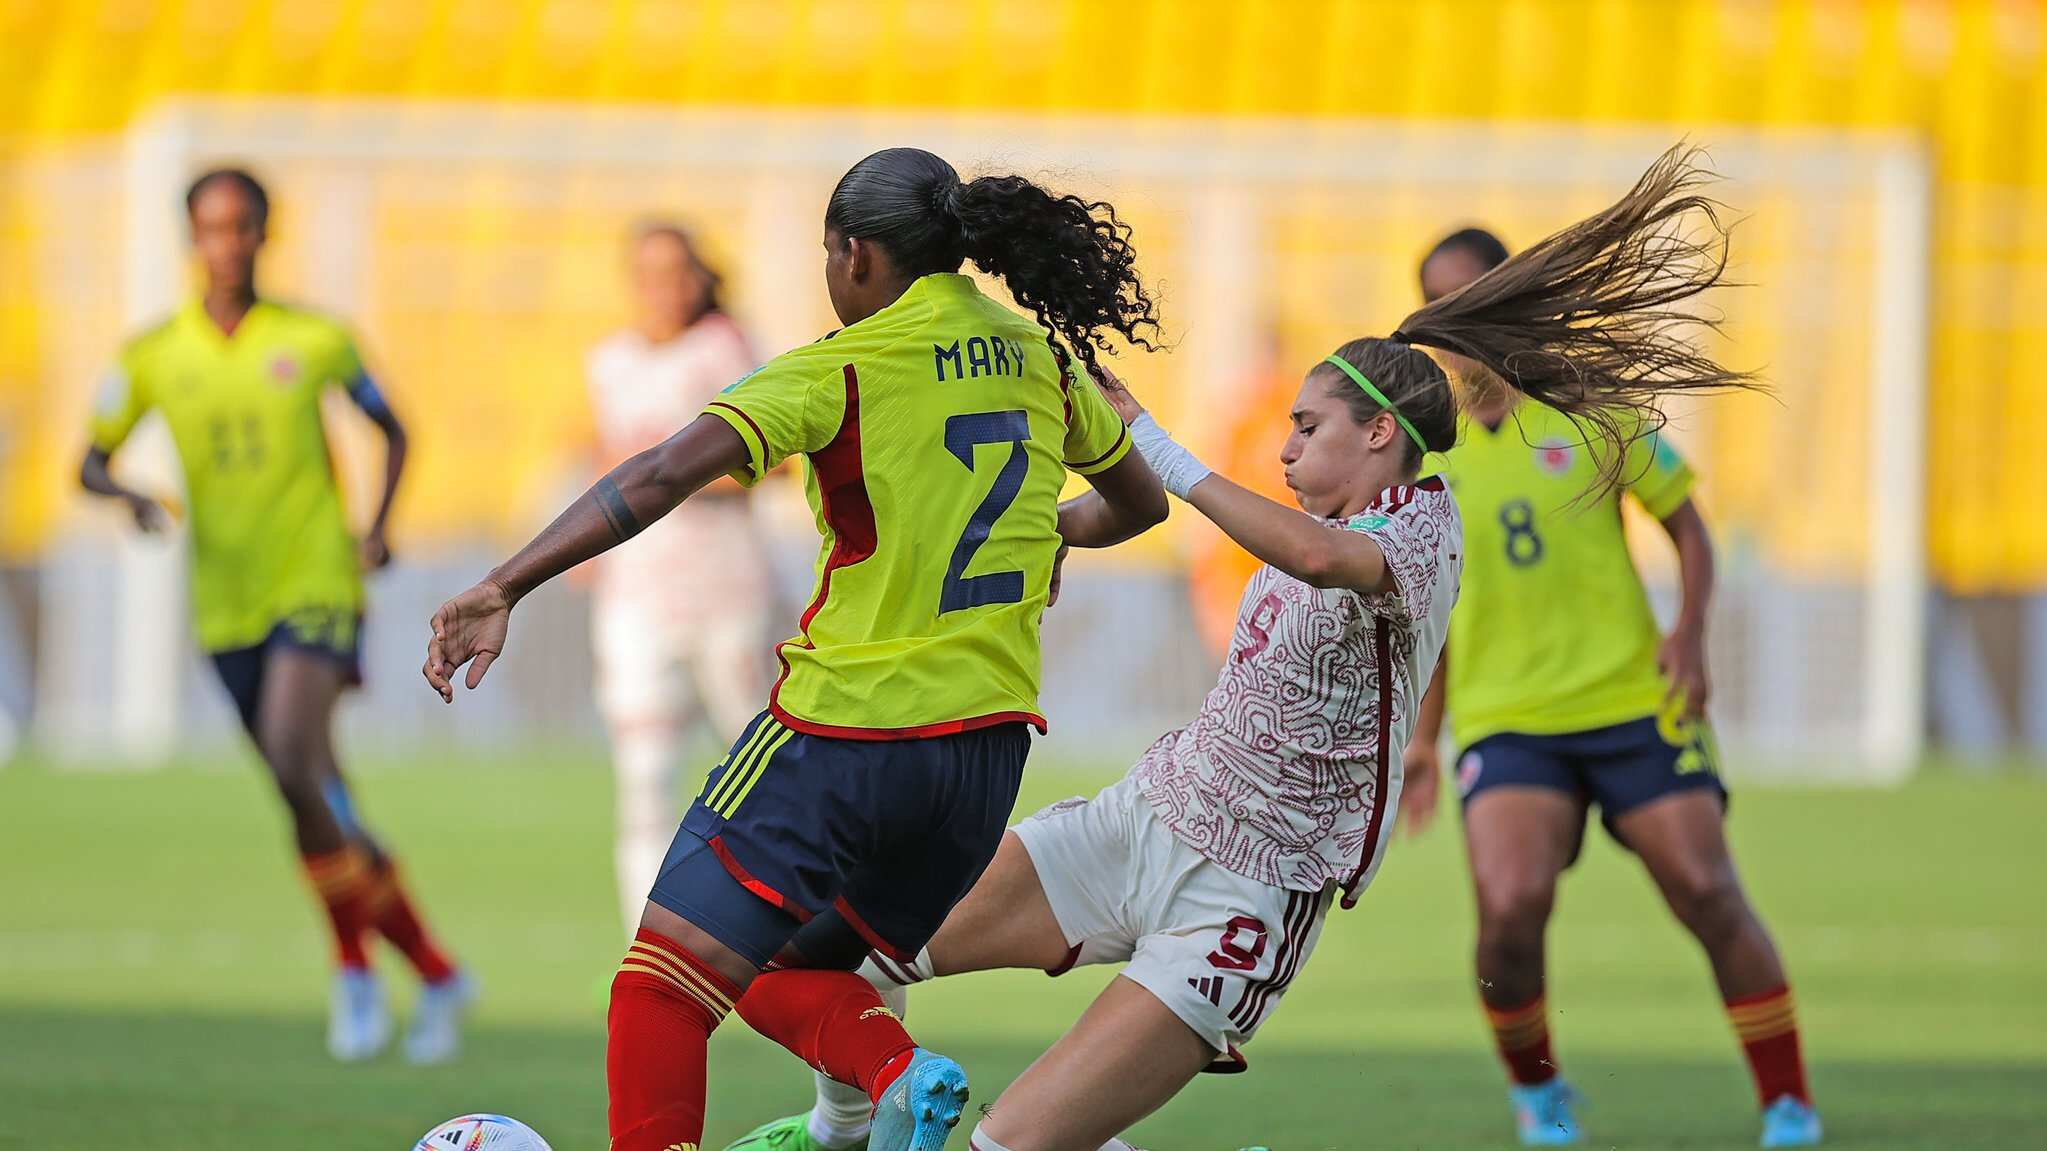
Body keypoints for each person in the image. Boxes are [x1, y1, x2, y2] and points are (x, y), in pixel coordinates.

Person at [731, 144, 1757, 1151]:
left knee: (1015, 1142)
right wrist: (1023, 523)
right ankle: (837, 1132)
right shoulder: (1321, 510)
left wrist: (1164, 451)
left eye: (1306, 425)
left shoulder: (1418, 529)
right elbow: (1117, 523)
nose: (1284, 445)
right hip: (1147, 817)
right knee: (824, 954)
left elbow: (1316, 555)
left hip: (1246, 892)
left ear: (1377, 436)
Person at [422, 147, 1170, 1151]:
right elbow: (1140, 501)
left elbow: (657, 475)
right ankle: (899, 1070)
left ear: (854, 254)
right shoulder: (1038, 356)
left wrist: (505, 580)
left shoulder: (841, 365)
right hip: (984, 752)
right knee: (781, 969)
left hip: (848, 728)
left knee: (658, 988)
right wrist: (1045, 529)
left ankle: (878, 1080)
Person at [1400, 226, 1821, 1147]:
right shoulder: (1427, 453)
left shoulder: (1595, 412)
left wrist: (1689, 636)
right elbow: (1434, 608)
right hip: (1510, 718)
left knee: (1708, 889)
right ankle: (1537, 1092)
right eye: (1445, 305)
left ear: (1510, 299)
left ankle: (1788, 1101)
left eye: (1476, 296)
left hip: (1630, 702)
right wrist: (1424, 738)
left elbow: (1690, 529)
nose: (1462, 322)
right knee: (1508, 909)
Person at [80, 167, 467, 1063]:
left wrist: (376, 530)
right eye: (213, 228)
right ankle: (437, 971)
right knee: (315, 794)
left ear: (263, 233)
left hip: (315, 583)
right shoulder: (150, 354)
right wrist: (128, 493)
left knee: (297, 760)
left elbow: (394, 427)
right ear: (191, 238)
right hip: (225, 602)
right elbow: (88, 461)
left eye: (244, 226)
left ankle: (353, 972)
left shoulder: (315, 338)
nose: (229, 243)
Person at [586, 222, 775, 934]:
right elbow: (604, 461)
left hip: (725, 591)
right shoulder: (608, 360)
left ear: (700, 275)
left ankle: (776, 926)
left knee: (757, 767)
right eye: (647, 272)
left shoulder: (725, 348)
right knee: (643, 779)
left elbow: (775, 461)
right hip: (636, 596)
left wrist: (670, 480)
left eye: (675, 271)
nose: (662, 286)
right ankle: (648, 944)